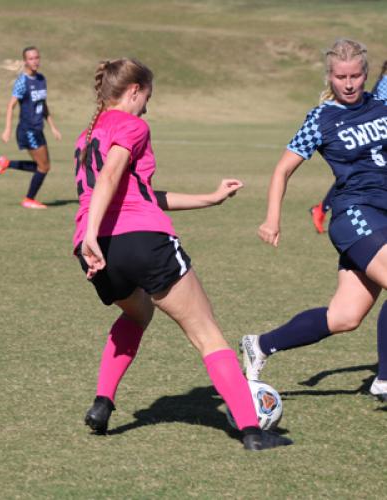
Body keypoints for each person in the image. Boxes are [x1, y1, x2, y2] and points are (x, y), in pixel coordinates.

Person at [74, 58, 292, 451]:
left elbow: (136, 193)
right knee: (207, 332)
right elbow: (111, 177)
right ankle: (252, 431)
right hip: (135, 239)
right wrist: (93, 232)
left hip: (97, 250)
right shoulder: (132, 124)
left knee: (137, 312)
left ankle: (103, 402)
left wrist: (210, 198)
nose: (148, 107)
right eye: (147, 98)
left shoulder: (88, 135)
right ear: (135, 90)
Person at [241, 39, 387, 402]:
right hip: (355, 215)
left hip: (382, 218)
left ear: (366, 75)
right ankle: (385, 380)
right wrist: (272, 219)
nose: (349, 84)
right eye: (341, 77)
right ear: (330, 77)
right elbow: (282, 170)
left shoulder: (382, 104)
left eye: (355, 76)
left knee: (345, 317)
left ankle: (260, 345)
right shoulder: (321, 119)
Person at [309, 60, 387, 233]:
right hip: (373, 136)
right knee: (357, 175)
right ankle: (322, 209)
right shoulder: (385, 84)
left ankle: (321, 208)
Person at [0, 46, 62, 209]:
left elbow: (43, 104)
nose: (35, 61)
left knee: (43, 166)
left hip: (38, 128)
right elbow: (11, 106)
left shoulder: (41, 79)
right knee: (44, 166)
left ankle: (6, 164)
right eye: (31, 58)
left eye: (37, 57)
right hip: (28, 129)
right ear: (25, 61)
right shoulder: (22, 82)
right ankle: (29, 199)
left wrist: (53, 126)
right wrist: (7, 129)